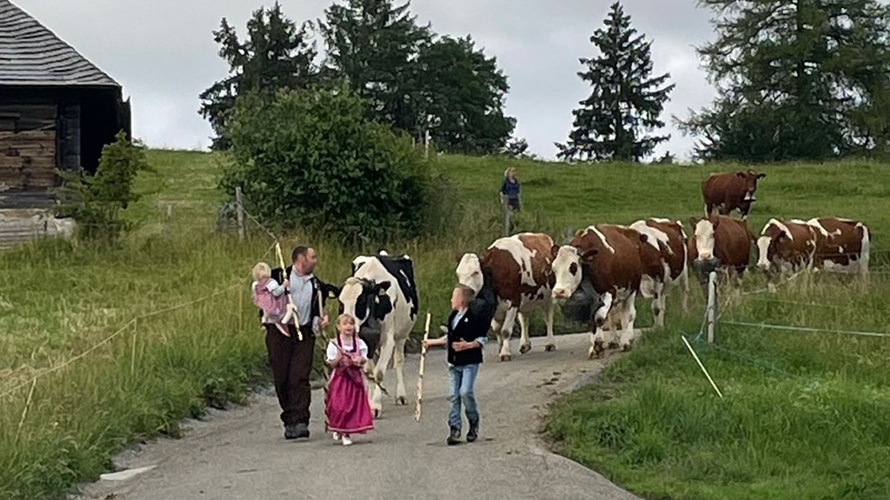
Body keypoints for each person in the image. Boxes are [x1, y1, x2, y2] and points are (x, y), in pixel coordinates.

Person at [265, 245, 338, 440]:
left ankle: (300, 421)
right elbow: (261, 292)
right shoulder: (279, 276)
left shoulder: (316, 284)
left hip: (304, 333)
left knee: (299, 376)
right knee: (281, 376)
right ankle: (289, 419)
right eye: (312, 257)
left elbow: (320, 306)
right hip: (279, 331)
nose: (316, 260)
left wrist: (322, 318)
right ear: (300, 258)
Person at [423, 284, 489, 445]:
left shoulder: (475, 317)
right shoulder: (453, 316)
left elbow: (483, 339)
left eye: (454, 296)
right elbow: (450, 338)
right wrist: (432, 342)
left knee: (465, 392)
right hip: (454, 362)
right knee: (453, 395)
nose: (451, 299)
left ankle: (473, 422)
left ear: (462, 300)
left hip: (469, 362)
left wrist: (467, 345)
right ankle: (455, 428)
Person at [325, 313, 374, 446]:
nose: (349, 327)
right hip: (340, 379)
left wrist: (359, 360)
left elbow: (363, 359)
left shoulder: (359, 343)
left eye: (351, 324)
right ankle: (338, 428)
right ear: (339, 327)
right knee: (339, 405)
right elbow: (332, 364)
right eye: (345, 324)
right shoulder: (334, 344)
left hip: (354, 380)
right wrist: (339, 358)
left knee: (352, 406)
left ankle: (346, 432)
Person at [250, 262, 290, 336]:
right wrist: (283, 286)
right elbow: (276, 293)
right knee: (284, 309)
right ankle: (281, 322)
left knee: (266, 311)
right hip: (272, 302)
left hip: (263, 301)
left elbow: (254, 292)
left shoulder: (255, 284)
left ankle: (264, 320)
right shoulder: (271, 283)